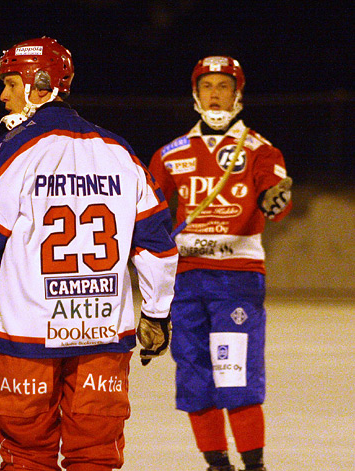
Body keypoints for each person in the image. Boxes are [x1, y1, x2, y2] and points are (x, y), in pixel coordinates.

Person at [0, 37, 178, 471]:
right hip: (102, 333)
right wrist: (156, 313)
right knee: (95, 456)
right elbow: (156, 242)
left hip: (28, 336)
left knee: (26, 455)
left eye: (11, 82)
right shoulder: (120, 151)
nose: (3, 95)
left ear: (41, 84)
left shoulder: (15, 150)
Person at [148, 56, 293, 471]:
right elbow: (150, 214)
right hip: (186, 281)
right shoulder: (170, 154)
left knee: (235, 375)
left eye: (223, 86)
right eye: (207, 85)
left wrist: (276, 199)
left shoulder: (260, 150)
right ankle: (217, 465)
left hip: (237, 280)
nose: (215, 93)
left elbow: (276, 198)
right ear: (195, 94)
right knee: (194, 378)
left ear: (238, 94)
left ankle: (254, 465)